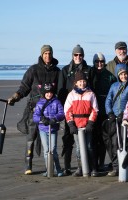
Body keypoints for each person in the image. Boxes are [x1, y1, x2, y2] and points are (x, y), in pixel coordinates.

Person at [7, 45, 60, 175]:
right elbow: (24, 87)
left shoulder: (57, 72)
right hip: (33, 110)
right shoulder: (33, 70)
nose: (47, 56)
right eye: (45, 53)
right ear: (42, 55)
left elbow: (61, 90)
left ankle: (51, 167)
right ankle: (28, 165)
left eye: (49, 53)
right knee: (31, 138)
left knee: (49, 143)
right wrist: (15, 96)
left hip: (50, 112)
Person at [57, 44, 91, 176]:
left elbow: (90, 89)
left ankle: (84, 166)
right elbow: (60, 91)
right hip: (69, 111)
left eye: (80, 55)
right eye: (76, 55)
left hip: (84, 113)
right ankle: (66, 167)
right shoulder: (65, 70)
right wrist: (64, 113)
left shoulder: (89, 70)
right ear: (72, 56)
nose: (78, 57)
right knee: (67, 139)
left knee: (85, 142)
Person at [64, 71, 99, 177]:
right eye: (80, 81)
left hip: (87, 124)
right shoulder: (71, 95)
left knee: (89, 146)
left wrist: (90, 123)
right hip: (76, 125)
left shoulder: (91, 94)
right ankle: (80, 167)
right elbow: (67, 110)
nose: (82, 83)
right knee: (79, 147)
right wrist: (71, 124)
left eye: (84, 81)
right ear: (76, 83)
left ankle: (93, 168)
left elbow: (95, 109)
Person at [104, 63, 128, 176]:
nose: (123, 76)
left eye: (125, 74)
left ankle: (127, 167)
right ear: (118, 75)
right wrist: (110, 112)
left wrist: (124, 113)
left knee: (125, 142)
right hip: (114, 118)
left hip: (125, 118)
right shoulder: (114, 86)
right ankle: (116, 167)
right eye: (121, 74)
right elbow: (108, 100)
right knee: (114, 142)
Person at [88, 52, 117, 171]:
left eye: (101, 61)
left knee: (105, 138)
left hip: (105, 111)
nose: (99, 64)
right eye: (97, 61)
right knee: (94, 139)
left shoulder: (110, 76)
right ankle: (94, 164)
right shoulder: (90, 74)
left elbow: (114, 92)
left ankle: (102, 163)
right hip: (93, 111)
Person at [33, 83, 65, 177]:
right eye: (47, 93)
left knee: (53, 149)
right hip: (43, 129)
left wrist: (55, 119)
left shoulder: (57, 102)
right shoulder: (39, 103)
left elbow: (62, 113)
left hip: (53, 129)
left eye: (51, 92)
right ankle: (48, 169)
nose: (49, 94)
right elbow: (35, 117)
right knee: (46, 150)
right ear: (43, 93)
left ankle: (58, 169)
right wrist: (42, 119)